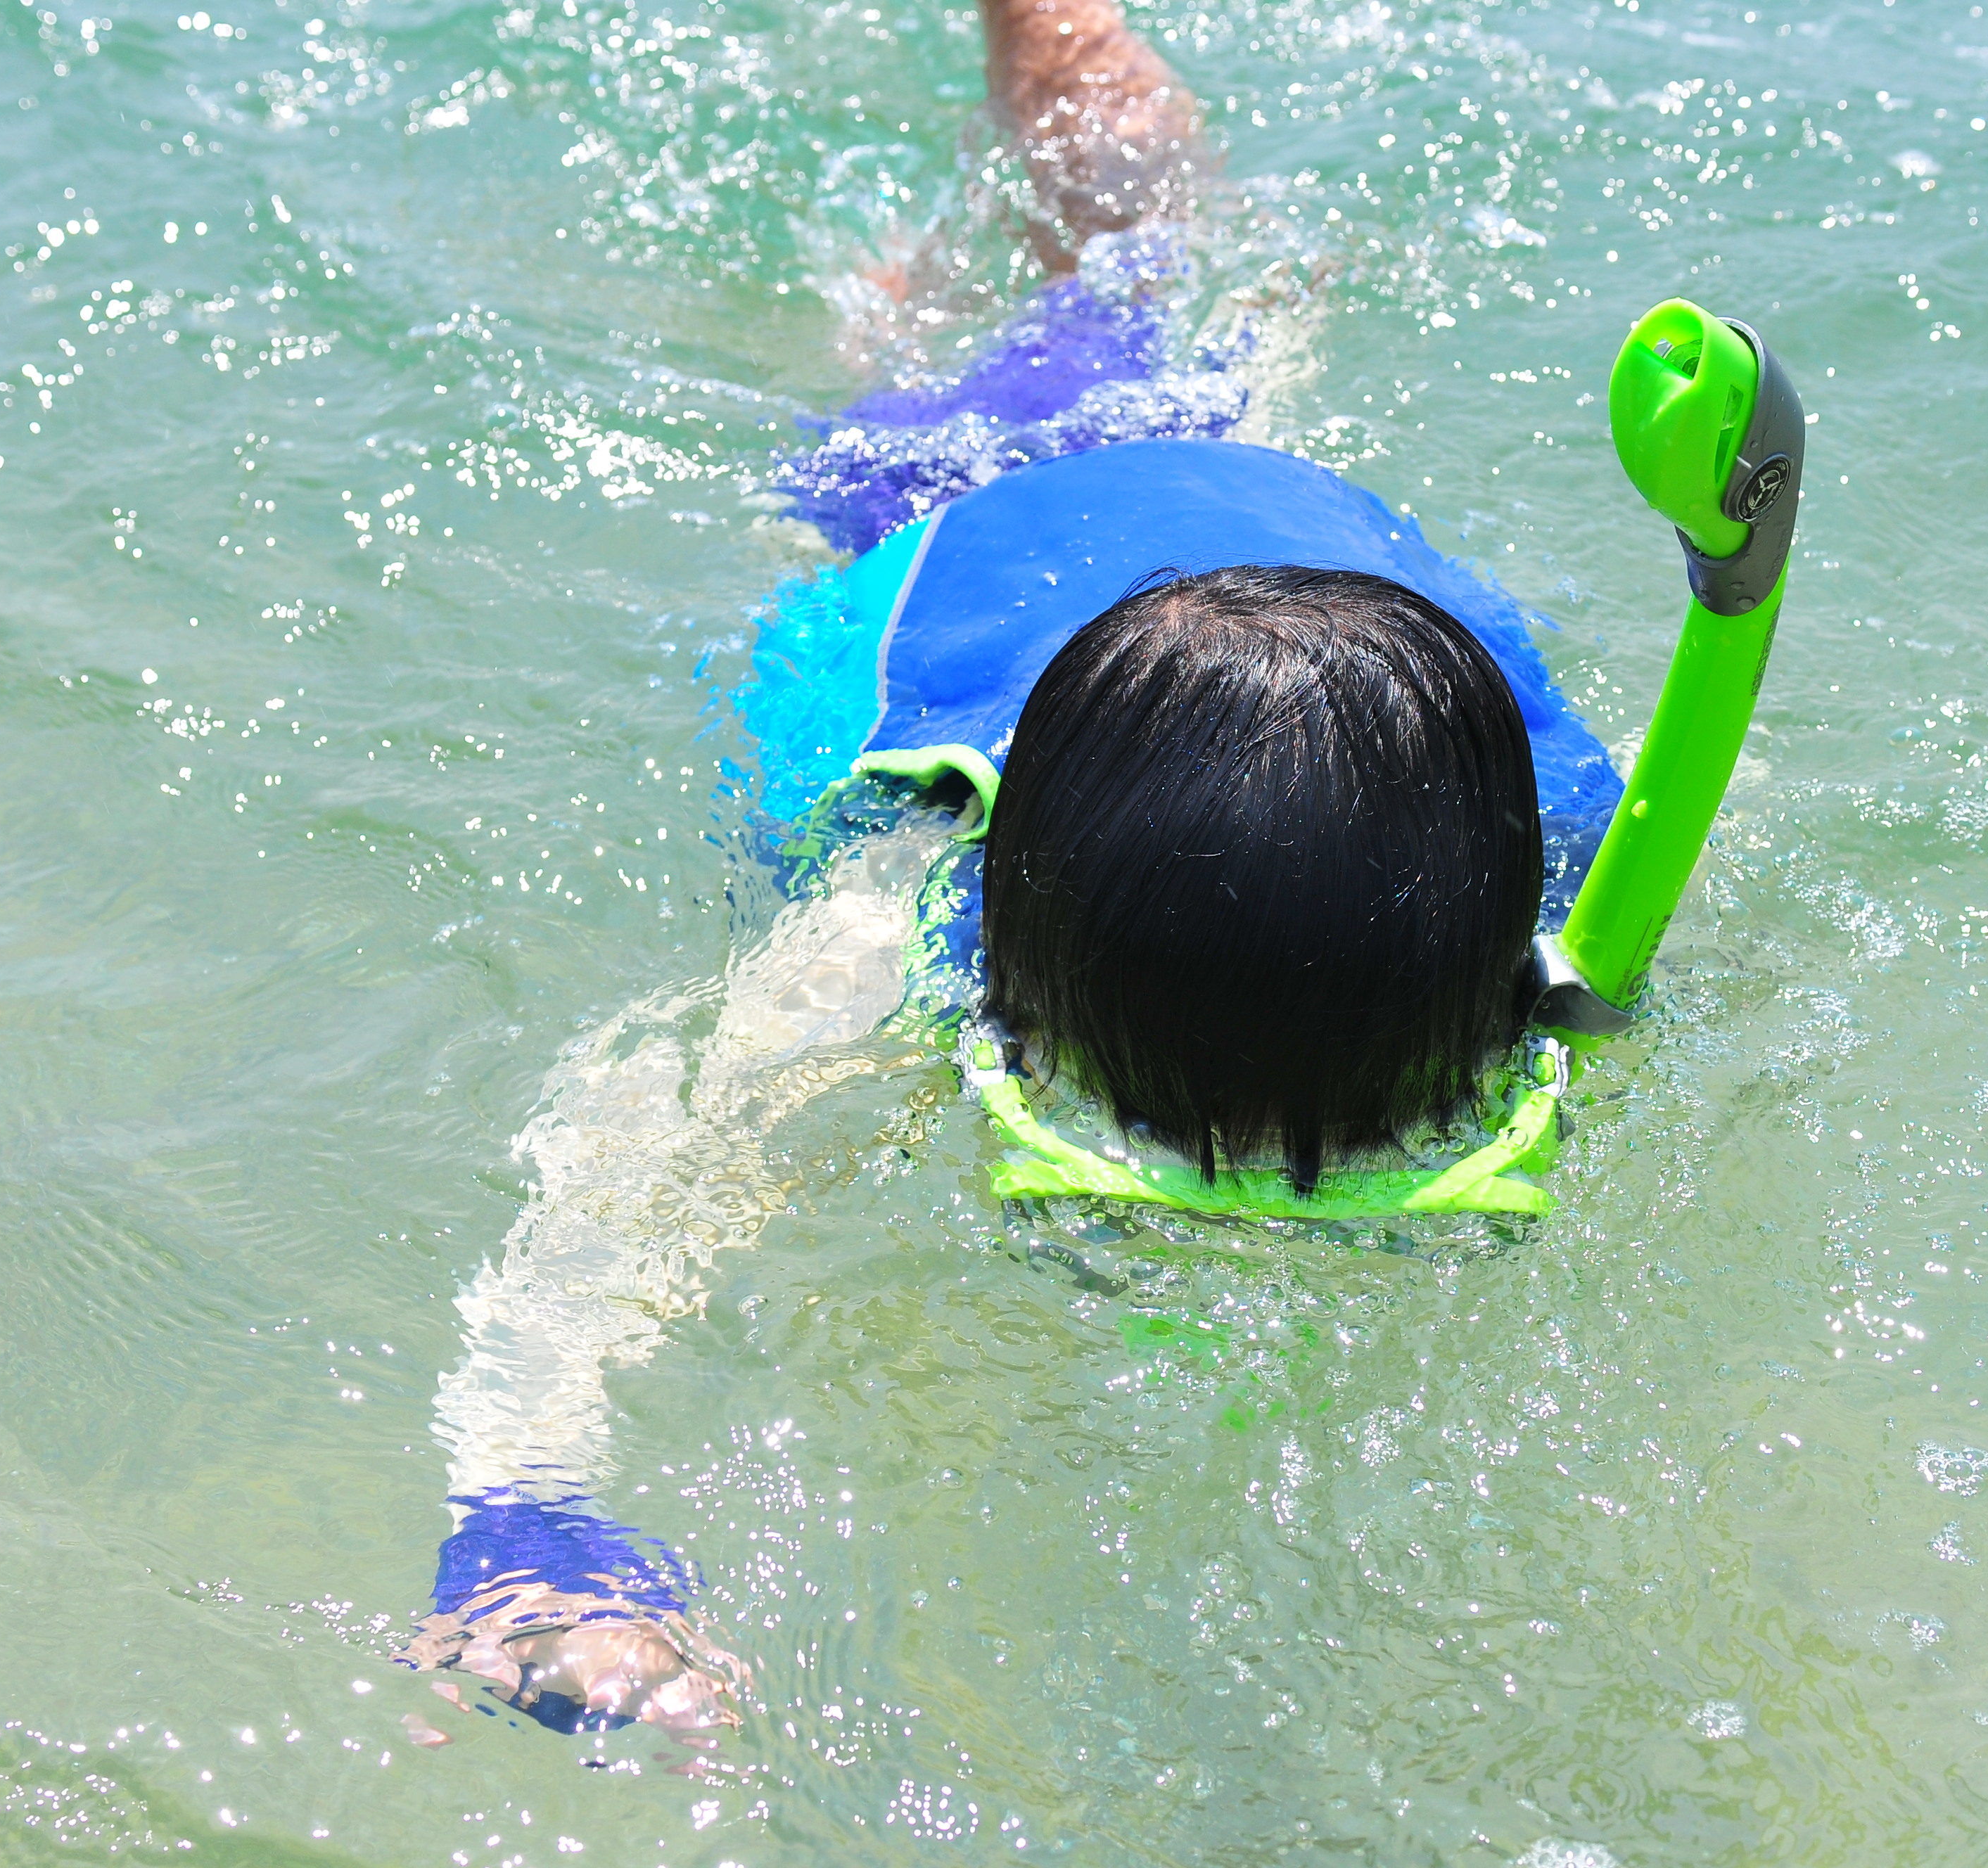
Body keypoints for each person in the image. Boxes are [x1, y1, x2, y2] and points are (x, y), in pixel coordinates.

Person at [395, 0, 1802, 1734]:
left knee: (1152, 276)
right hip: (954, 540)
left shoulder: (1548, 870)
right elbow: (639, 1156)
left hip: (1266, 510)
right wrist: (526, 1508)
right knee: (921, 340)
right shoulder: (901, 906)